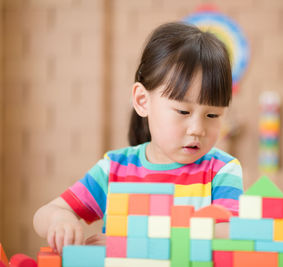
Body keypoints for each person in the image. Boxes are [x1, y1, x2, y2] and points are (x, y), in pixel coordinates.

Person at [33, 21, 243, 254]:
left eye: (212, 114)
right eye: (183, 112)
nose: (197, 129)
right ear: (143, 101)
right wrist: (61, 222)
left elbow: (228, 235)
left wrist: (131, 245)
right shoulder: (114, 169)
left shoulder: (222, 171)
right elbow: (45, 213)